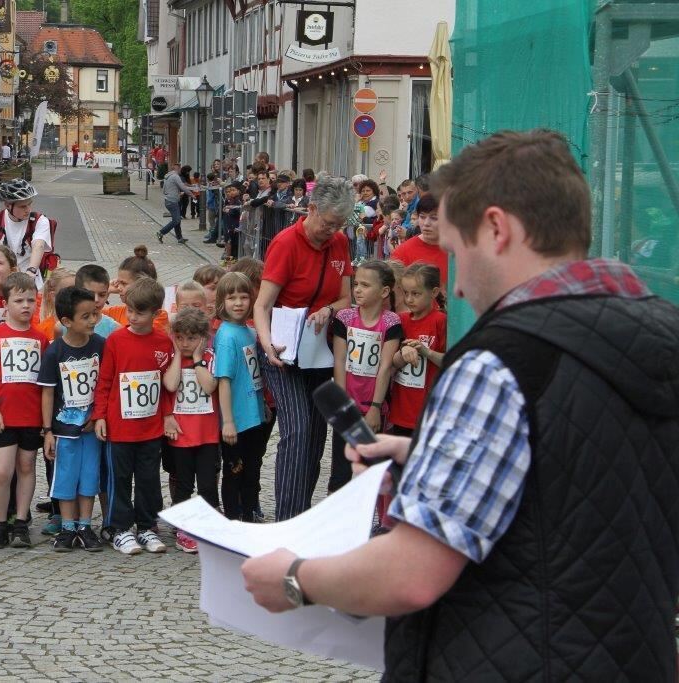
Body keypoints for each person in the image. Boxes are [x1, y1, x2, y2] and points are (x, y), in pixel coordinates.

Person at [241, 129, 679, 681]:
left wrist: (294, 577)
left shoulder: (502, 360)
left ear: (497, 229)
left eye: (455, 251)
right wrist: (430, 454)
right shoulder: (659, 333)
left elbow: (411, 574)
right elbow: (574, 484)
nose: (460, 284)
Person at [251, 174, 353, 521]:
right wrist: (267, 345)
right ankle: (287, 519)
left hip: (318, 352)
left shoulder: (340, 243)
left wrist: (328, 309)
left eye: (338, 225)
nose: (332, 231)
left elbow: (346, 298)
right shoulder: (286, 243)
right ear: (310, 209)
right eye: (327, 223)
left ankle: (303, 516)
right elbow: (262, 305)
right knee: (297, 431)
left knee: (315, 437)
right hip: (283, 350)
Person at [93, 277, 173, 556]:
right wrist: (100, 416)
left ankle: (147, 526)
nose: (133, 317)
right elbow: (104, 381)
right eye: (130, 311)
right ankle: (120, 528)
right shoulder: (116, 340)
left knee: (149, 478)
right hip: (120, 427)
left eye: (140, 312)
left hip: (150, 427)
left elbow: (167, 385)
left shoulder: (163, 342)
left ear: (155, 313)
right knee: (121, 478)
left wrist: (167, 416)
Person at [0, 272, 47, 550]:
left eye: (31, 300)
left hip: (31, 415)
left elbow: (46, 385)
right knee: (3, 471)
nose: (26, 306)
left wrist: (46, 420)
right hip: (4, 414)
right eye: (19, 300)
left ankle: (20, 522)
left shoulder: (41, 338)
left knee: (27, 466)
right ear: (6, 303)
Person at [37, 286, 106, 552]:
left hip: (91, 429)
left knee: (89, 478)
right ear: (66, 321)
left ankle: (85, 526)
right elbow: (47, 392)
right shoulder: (55, 352)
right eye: (85, 316)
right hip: (64, 429)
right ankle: (67, 528)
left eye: (94, 314)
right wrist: (47, 431)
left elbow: (105, 384)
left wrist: (99, 416)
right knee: (65, 479)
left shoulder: (101, 345)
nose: (92, 321)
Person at [329, 260, 403, 493]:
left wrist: (375, 406)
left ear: (384, 292)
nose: (358, 289)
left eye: (365, 285)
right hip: (348, 402)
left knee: (370, 466)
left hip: (373, 404)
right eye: (356, 284)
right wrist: (342, 403)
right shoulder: (345, 318)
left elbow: (385, 366)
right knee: (340, 467)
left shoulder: (391, 322)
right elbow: (340, 361)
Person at [162, 306, 218, 552]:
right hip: (181, 436)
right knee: (183, 483)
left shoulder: (209, 358)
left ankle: (208, 526)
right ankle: (183, 528)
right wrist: (176, 354)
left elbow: (209, 387)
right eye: (180, 337)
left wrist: (196, 360)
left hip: (207, 435)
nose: (185, 343)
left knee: (207, 484)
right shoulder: (173, 359)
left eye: (192, 338)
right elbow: (171, 385)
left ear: (203, 338)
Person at [212, 272, 267, 522]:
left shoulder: (248, 331)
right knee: (235, 471)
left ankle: (247, 515)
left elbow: (252, 375)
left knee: (252, 471)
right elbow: (224, 380)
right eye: (231, 297)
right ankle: (233, 519)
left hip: (253, 415)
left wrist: (262, 402)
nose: (238, 303)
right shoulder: (227, 336)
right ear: (222, 302)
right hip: (237, 420)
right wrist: (228, 421)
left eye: (244, 297)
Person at [388, 262, 446, 437]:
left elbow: (450, 360)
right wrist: (403, 353)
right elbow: (391, 363)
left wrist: (426, 352)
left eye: (416, 294)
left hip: (428, 409)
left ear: (434, 293)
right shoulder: (400, 319)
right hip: (401, 408)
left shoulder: (440, 321)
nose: (409, 299)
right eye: (406, 293)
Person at [391, 193, 448, 287]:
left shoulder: (458, 251)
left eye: (434, 218)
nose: (426, 223)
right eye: (422, 217)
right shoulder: (403, 252)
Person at [156, 165, 199, 245]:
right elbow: (182, 187)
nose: (180, 170)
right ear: (177, 169)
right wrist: (192, 195)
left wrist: (175, 193)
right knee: (176, 220)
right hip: (172, 201)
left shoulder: (167, 176)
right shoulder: (175, 176)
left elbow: (165, 188)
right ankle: (161, 232)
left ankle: (179, 238)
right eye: (179, 168)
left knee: (177, 219)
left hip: (169, 199)